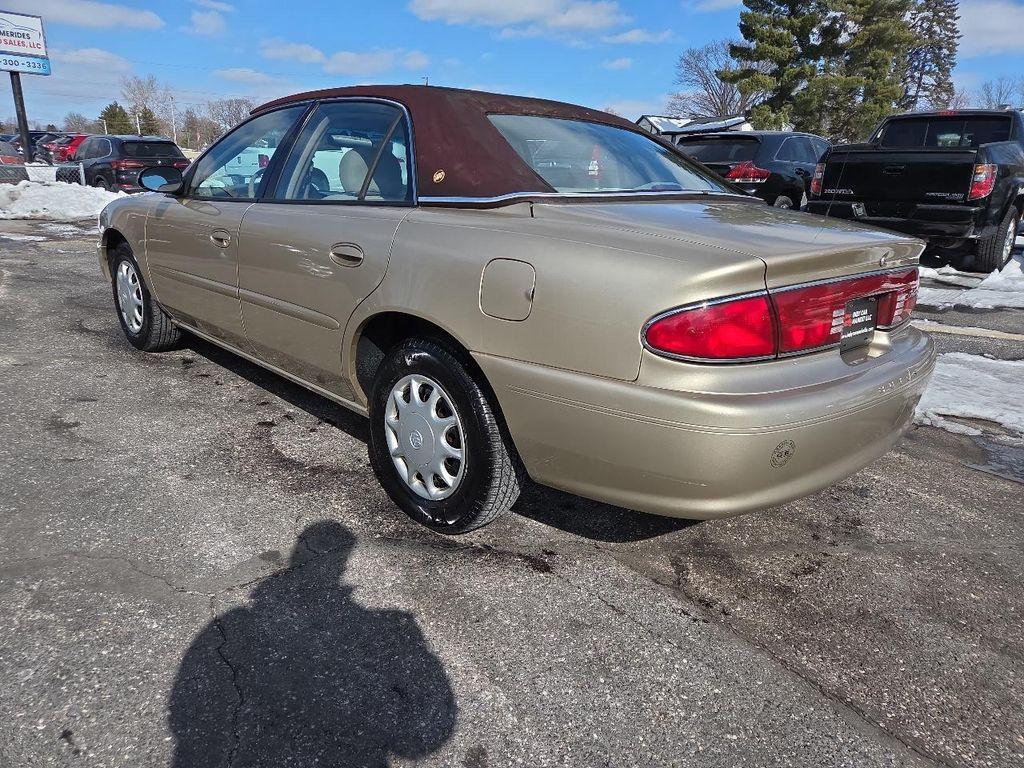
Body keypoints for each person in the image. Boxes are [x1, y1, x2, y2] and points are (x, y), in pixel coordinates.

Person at [169, 521, 456, 767]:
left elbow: (183, 717)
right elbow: (423, 741)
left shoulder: (232, 620)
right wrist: (414, 642)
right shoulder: (234, 622)